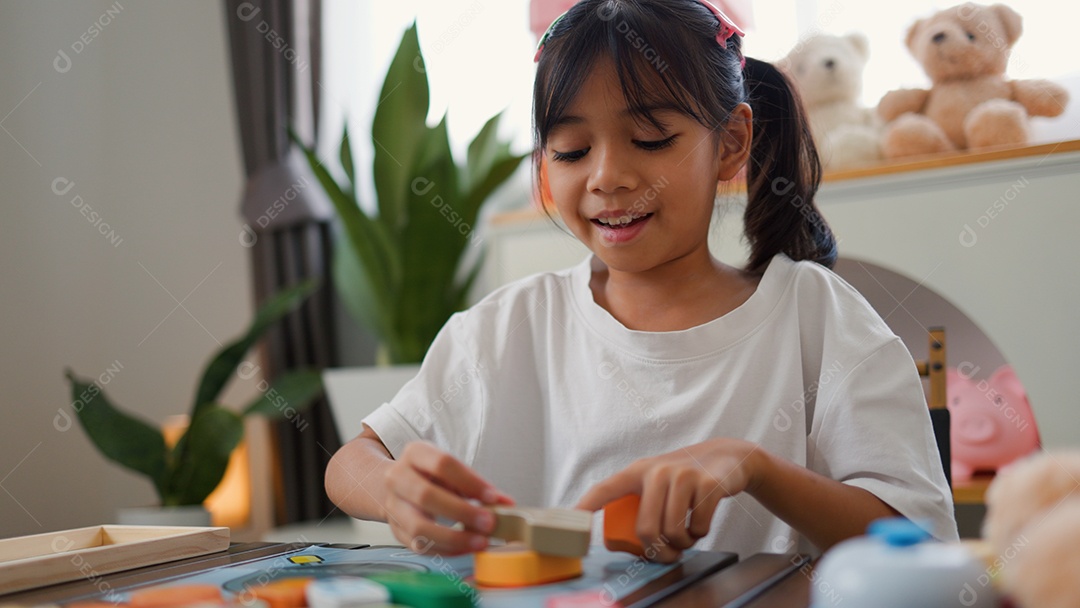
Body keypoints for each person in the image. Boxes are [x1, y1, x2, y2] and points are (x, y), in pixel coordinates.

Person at [325, 0, 957, 563]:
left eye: (651, 139)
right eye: (571, 150)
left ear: (731, 142)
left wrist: (754, 468)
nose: (607, 177)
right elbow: (350, 463)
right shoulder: (508, 327)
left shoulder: (816, 317)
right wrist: (394, 490)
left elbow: (919, 540)